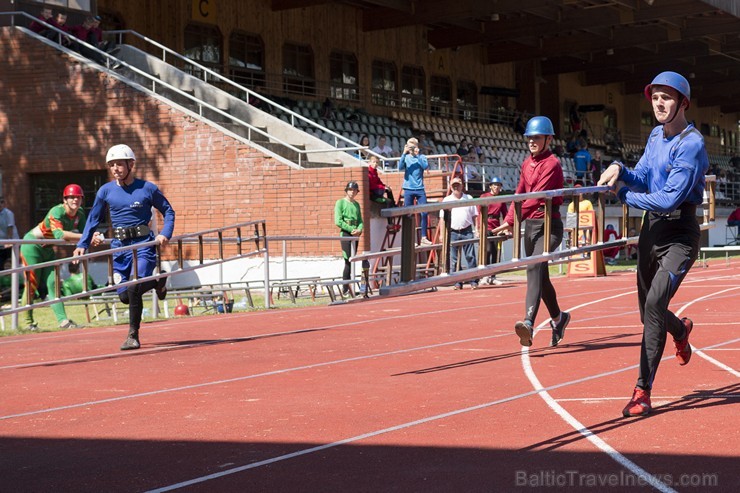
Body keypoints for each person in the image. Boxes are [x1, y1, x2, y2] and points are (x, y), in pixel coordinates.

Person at [598, 71, 708, 417]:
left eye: (667, 98)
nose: (659, 104)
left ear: (682, 103)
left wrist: (623, 194)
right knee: (649, 309)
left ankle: (642, 390)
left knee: (655, 303)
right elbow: (643, 175)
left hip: (680, 234)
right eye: (655, 97)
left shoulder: (692, 145)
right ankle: (681, 330)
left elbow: (666, 199)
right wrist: (618, 167)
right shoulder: (656, 137)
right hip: (652, 232)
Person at [74, 144, 175, 351]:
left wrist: (165, 233)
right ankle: (158, 282)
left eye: (119, 164)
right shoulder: (105, 191)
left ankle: (132, 335)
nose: (115, 169)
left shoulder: (147, 188)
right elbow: (94, 218)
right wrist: (82, 244)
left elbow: (168, 210)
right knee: (124, 296)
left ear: (131, 164)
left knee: (134, 287)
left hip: (144, 246)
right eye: (111, 165)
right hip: (119, 248)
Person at [491, 116, 571, 348]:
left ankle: (528, 322)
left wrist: (513, 221)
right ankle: (559, 318)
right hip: (531, 227)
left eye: (536, 137)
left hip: (549, 226)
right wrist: (509, 220)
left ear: (548, 138)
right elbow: (520, 193)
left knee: (533, 266)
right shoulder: (527, 163)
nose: (532, 142)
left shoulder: (552, 164)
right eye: (529, 138)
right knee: (541, 277)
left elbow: (536, 198)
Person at [19, 184, 90, 330]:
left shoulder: (80, 214)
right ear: (65, 200)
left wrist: (88, 240)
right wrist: (85, 237)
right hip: (32, 245)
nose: (75, 200)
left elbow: (86, 233)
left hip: (48, 248)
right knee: (32, 283)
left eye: (78, 197)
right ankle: (27, 323)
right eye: (71, 197)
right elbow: (60, 235)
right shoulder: (56, 211)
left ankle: (63, 321)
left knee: (54, 283)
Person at [441, 177, 479, 290]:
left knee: (470, 257)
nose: (456, 187)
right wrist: (442, 234)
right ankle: (457, 282)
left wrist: (476, 229)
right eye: (454, 185)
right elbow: (442, 219)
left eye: (458, 185)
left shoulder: (469, 198)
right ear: (450, 187)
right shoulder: (446, 200)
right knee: (454, 259)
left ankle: (474, 281)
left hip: (467, 230)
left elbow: (475, 216)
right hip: (452, 232)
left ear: (462, 185)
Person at [399, 137, 431, 244]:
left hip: (420, 188)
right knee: (408, 214)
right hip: (408, 188)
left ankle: (423, 237)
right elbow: (400, 167)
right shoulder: (406, 157)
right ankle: (410, 238)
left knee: (424, 212)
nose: (412, 148)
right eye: (410, 146)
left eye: (414, 146)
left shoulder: (421, 157)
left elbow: (425, 166)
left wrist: (417, 155)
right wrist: (404, 153)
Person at [334, 181, 364, 295]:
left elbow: (360, 220)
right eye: (350, 190)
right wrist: (350, 229)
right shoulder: (340, 203)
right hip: (346, 233)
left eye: (354, 190)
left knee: (353, 259)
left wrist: (359, 229)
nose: (352, 192)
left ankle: (349, 286)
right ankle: (345, 288)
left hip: (355, 234)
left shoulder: (356, 204)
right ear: (346, 190)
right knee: (348, 260)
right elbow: (338, 221)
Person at [479, 177, 508, 285]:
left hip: (496, 227)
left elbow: (506, 215)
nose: (496, 187)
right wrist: (478, 227)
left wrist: (505, 229)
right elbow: (479, 212)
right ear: (490, 186)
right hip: (486, 225)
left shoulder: (501, 200)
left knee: (496, 252)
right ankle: (484, 275)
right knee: (487, 250)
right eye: (494, 185)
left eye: (498, 185)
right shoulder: (484, 197)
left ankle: (493, 276)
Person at [367, 155, 399, 231]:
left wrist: (385, 186)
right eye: (374, 162)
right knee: (388, 201)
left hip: (377, 191)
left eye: (377, 162)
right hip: (372, 195)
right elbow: (372, 185)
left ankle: (393, 206)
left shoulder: (375, 172)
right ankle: (390, 223)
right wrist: (382, 187)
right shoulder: (368, 172)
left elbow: (379, 182)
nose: (375, 164)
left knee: (389, 190)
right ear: (369, 163)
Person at [0, 196, 18, 270]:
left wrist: (9, 241)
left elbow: (10, 228)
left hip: (10, 243)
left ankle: (15, 281)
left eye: (2, 202)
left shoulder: (8, 213)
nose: (0, 204)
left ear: (4, 203)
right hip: (1, 243)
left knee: (10, 265)